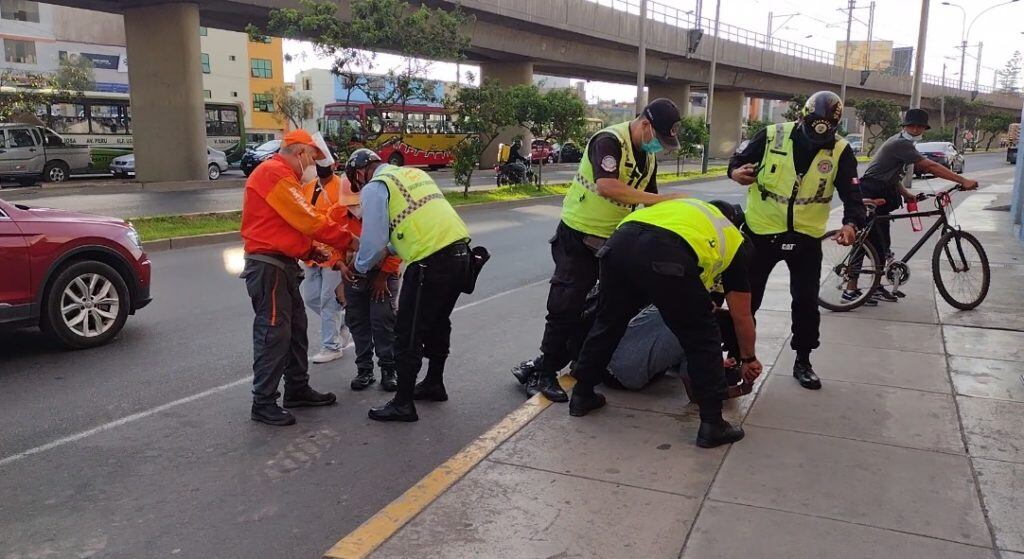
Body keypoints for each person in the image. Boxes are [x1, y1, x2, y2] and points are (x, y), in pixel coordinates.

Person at [513, 98, 685, 403]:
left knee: (600, 307)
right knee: (566, 304)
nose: (658, 146)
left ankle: (552, 363)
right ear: (645, 125)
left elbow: (649, 199)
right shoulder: (609, 141)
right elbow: (607, 186)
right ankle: (544, 372)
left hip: (612, 242)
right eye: (658, 139)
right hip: (579, 236)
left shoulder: (647, 156)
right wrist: (663, 201)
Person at [568, 199, 762, 448]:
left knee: (609, 322)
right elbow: (742, 315)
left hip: (619, 243)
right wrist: (749, 358)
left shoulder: (687, 211)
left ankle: (582, 394)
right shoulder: (733, 240)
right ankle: (713, 424)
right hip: (665, 254)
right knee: (702, 336)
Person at [727, 90, 864, 391]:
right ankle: (736, 355)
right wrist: (736, 172)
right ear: (802, 118)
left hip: (806, 236)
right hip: (761, 232)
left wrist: (851, 223)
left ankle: (803, 360)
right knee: (746, 299)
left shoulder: (840, 150)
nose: (818, 139)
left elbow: (853, 195)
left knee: (805, 302)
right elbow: (736, 161)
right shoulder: (772, 135)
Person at [344, 148, 472, 422]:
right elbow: (414, 222)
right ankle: (434, 383)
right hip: (461, 256)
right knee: (438, 323)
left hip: (430, 263)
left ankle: (403, 403)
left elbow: (372, 240)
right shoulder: (413, 173)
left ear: (359, 173)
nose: (360, 189)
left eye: (357, 184)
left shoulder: (376, 186)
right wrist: (392, 249)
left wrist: (358, 268)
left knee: (407, 332)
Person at [240, 130, 356, 426]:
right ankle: (263, 401)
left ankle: (296, 388)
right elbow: (307, 219)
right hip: (269, 266)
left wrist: (311, 250)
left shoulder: (282, 177)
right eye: (311, 158)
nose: (312, 166)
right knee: (273, 331)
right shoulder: (274, 173)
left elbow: (285, 226)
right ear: (300, 152)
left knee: (295, 330)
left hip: (281, 264)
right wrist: (349, 241)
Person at [848, 108, 979, 302]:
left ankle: (874, 288)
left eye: (919, 126)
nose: (916, 129)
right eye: (912, 125)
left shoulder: (904, 143)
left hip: (882, 191)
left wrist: (907, 195)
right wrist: (962, 180)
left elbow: (891, 176)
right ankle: (850, 290)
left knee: (881, 244)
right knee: (864, 242)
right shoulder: (901, 144)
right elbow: (930, 166)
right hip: (871, 191)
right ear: (905, 126)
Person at [329, 176, 402, 392]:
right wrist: (340, 265)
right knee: (358, 324)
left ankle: (389, 369)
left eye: (356, 203)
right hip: (353, 277)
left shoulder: (384, 208)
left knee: (383, 322)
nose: (354, 208)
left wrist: (383, 277)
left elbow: (398, 241)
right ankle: (364, 370)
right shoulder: (336, 213)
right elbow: (331, 244)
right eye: (349, 204)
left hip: (383, 277)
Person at [299, 154, 352, 364]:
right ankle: (345, 324)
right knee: (311, 298)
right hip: (312, 254)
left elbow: (345, 224)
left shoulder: (342, 188)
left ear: (334, 165)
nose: (321, 167)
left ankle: (332, 345)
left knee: (328, 300)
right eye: (317, 163)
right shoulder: (308, 187)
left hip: (334, 254)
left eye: (325, 163)